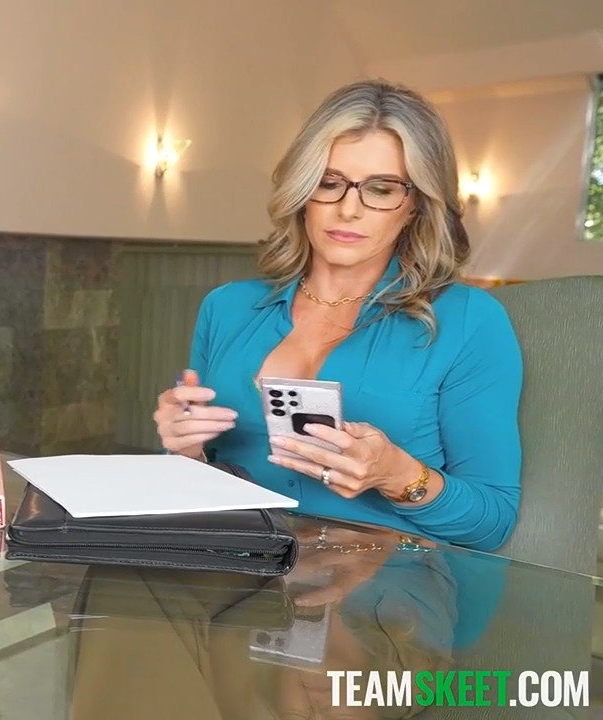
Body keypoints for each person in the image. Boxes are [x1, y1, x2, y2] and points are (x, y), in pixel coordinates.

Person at [153, 79, 522, 552]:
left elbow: (492, 523)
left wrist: (397, 475)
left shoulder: (470, 321)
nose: (349, 209)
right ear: (302, 190)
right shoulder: (227, 307)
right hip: (239, 569)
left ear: (414, 206)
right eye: (329, 183)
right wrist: (185, 451)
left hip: (390, 586)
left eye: (382, 189)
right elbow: (196, 489)